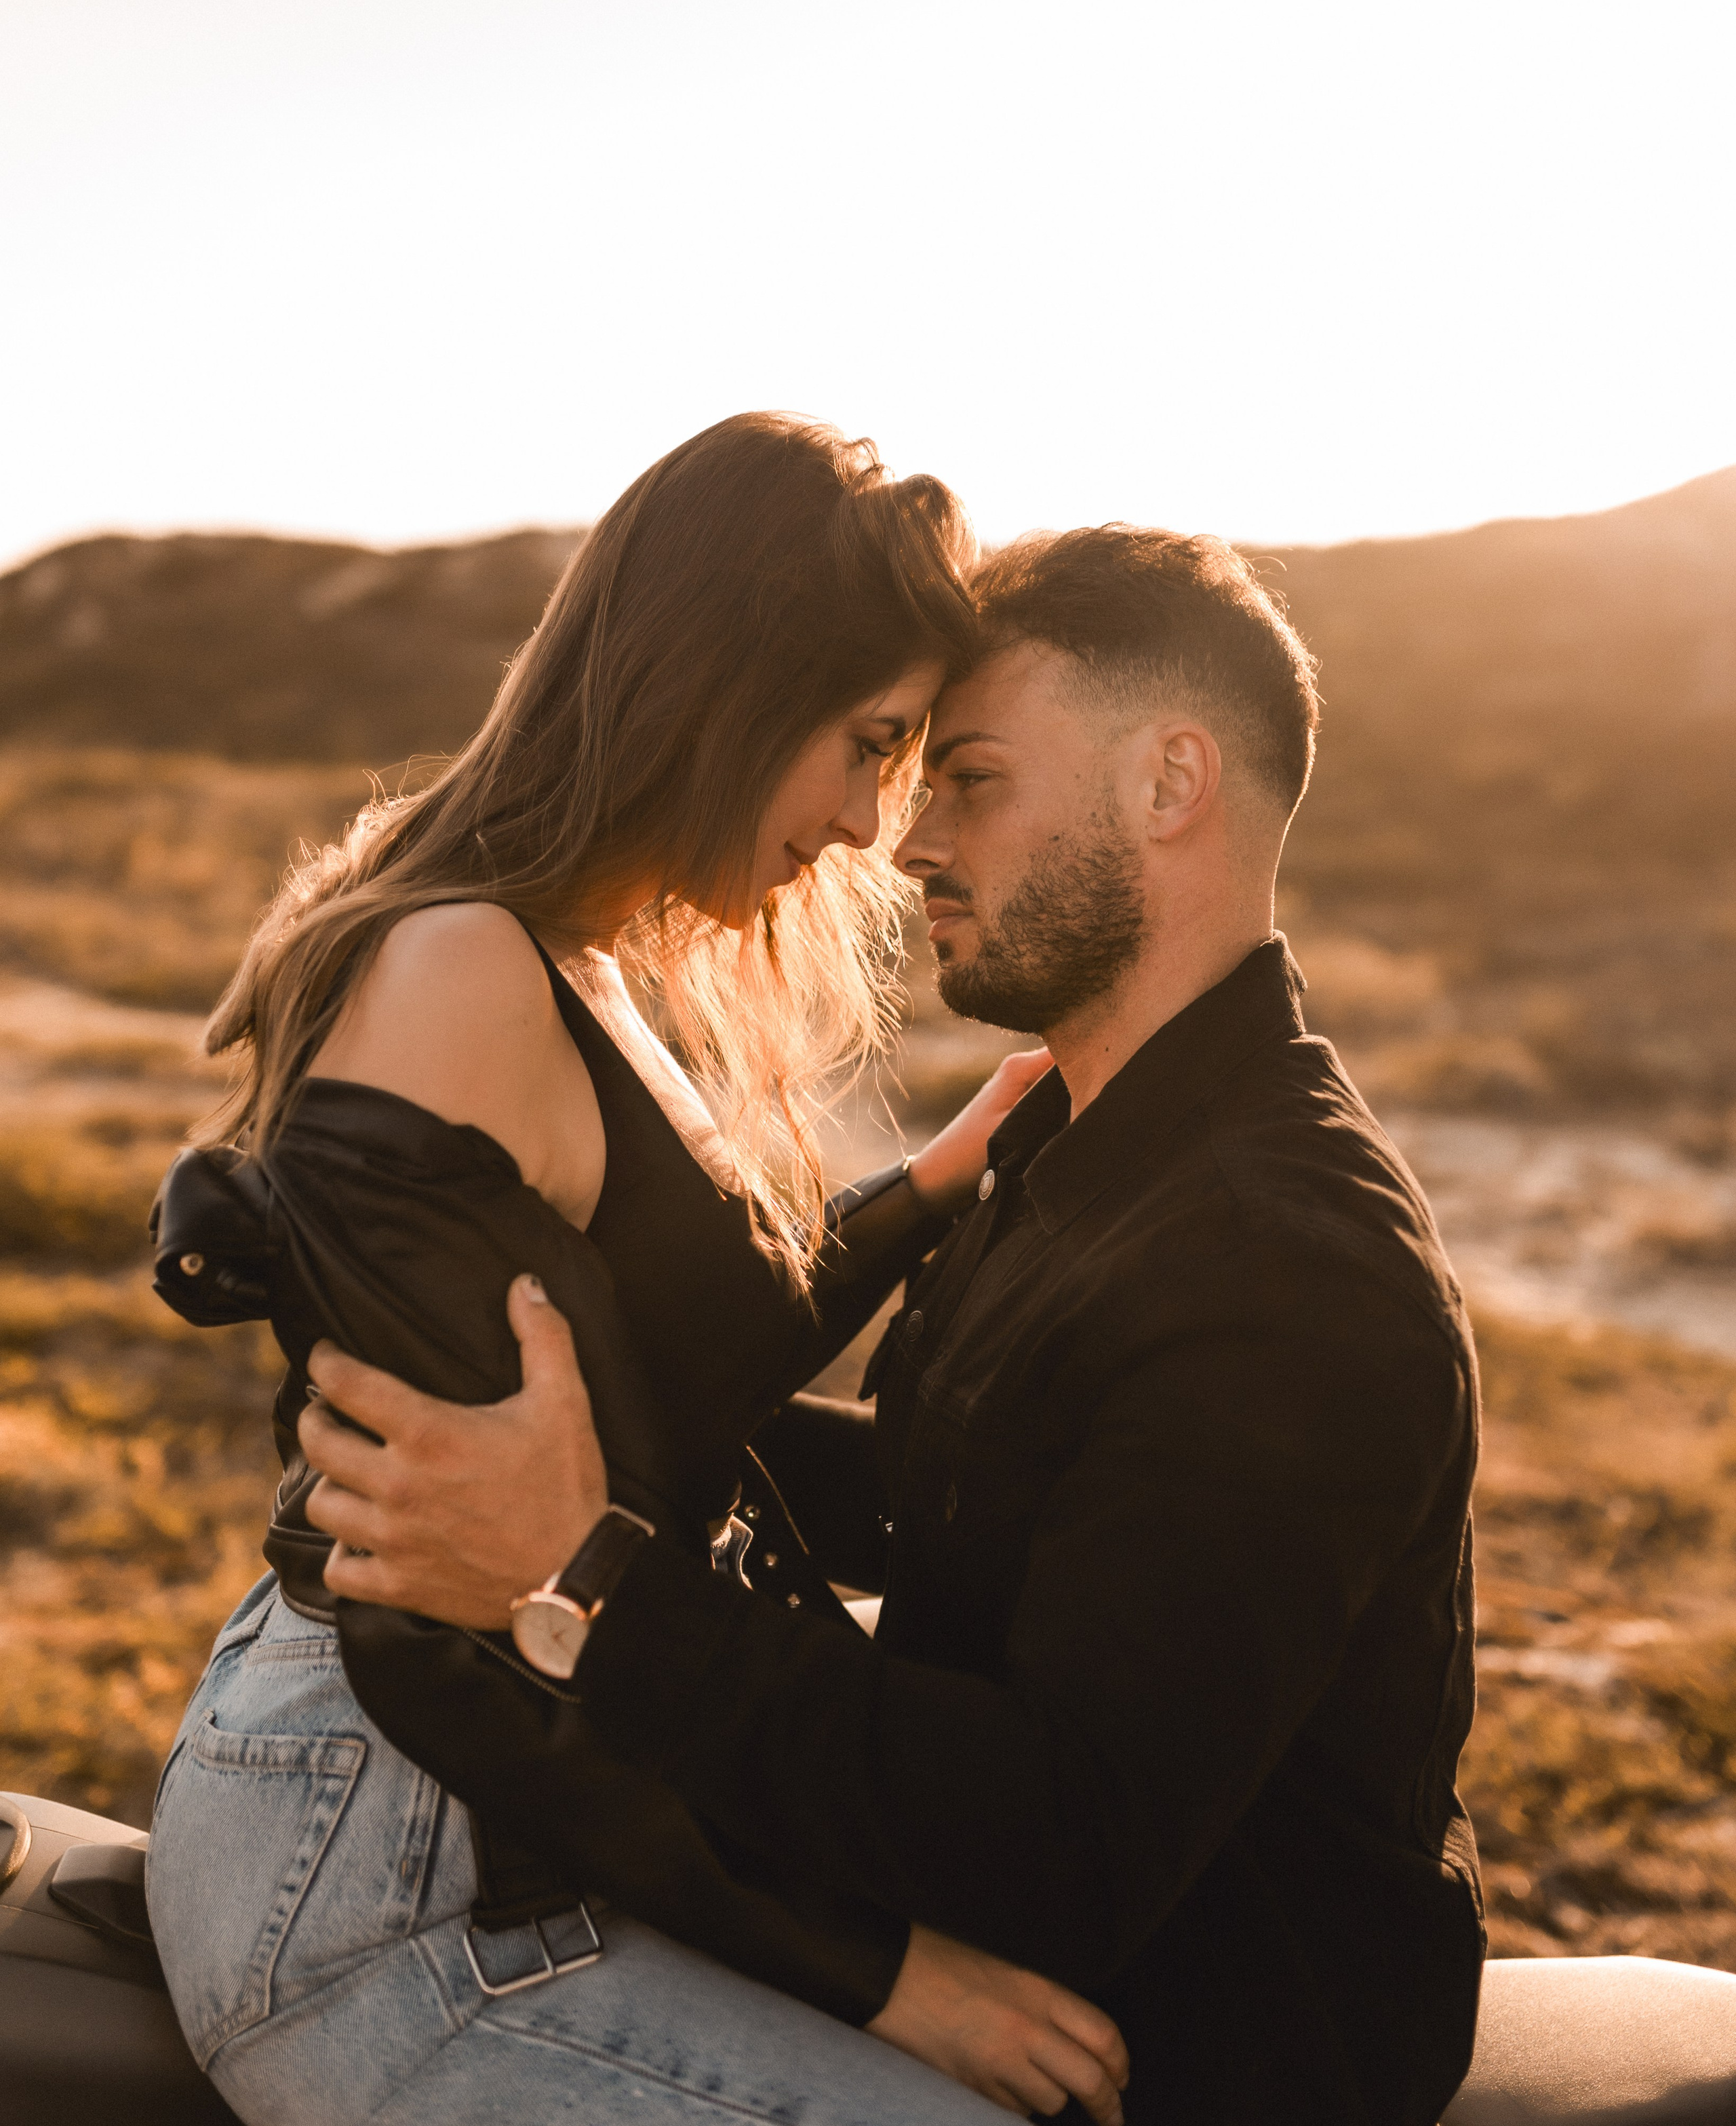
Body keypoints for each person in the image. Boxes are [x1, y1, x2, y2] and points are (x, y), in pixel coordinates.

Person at [303, 527, 1487, 2125]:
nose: (905, 842)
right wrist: (530, 1450)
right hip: (1022, 1946)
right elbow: (981, 1490)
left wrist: (588, 1569)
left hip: (1198, 2045)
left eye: (970, 779)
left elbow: (1055, 1847)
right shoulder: (1085, 1138)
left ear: (1168, 783)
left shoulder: (1283, 1273)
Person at [144, 413, 1134, 2126]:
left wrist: (928, 1187)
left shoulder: (573, 960)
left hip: (523, 1802)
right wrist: (885, 1973)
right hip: (386, 1875)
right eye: (862, 741)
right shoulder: (459, 975)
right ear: (722, 685)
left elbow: (655, 1377)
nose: (858, 819)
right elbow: (435, 1618)